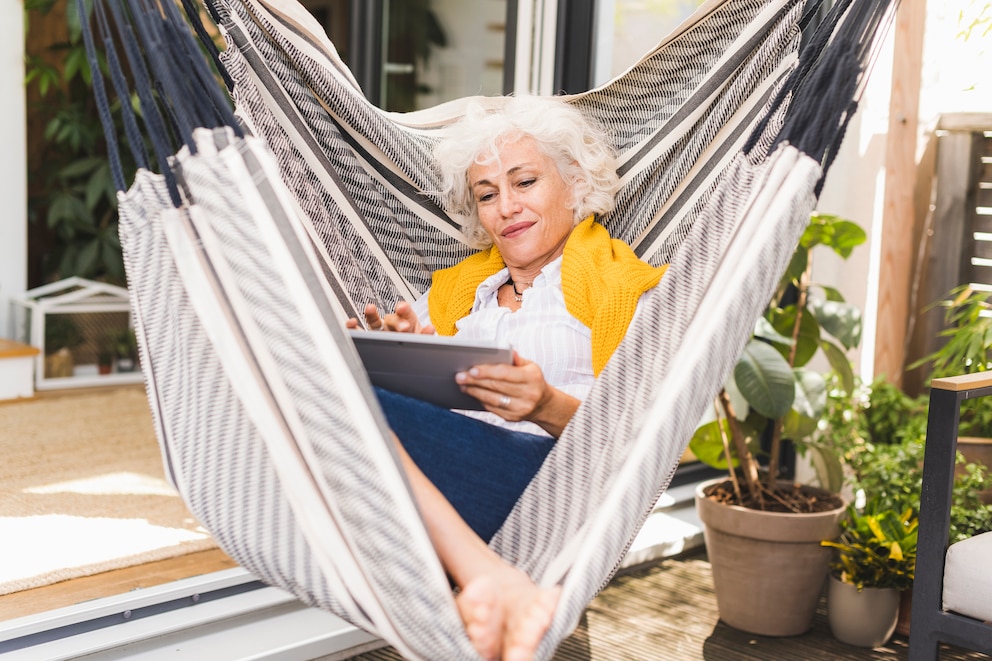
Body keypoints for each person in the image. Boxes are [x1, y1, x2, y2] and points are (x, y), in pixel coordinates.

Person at [347, 95, 668, 661]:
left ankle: (481, 576)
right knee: (331, 385)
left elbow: (634, 443)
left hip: (544, 484)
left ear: (574, 184)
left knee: (345, 403)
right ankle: (488, 583)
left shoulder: (618, 288)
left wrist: (543, 403)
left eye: (524, 182)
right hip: (443, 475)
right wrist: (398, 353)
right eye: (488, 194)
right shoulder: (457, 292)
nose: (506, 208)